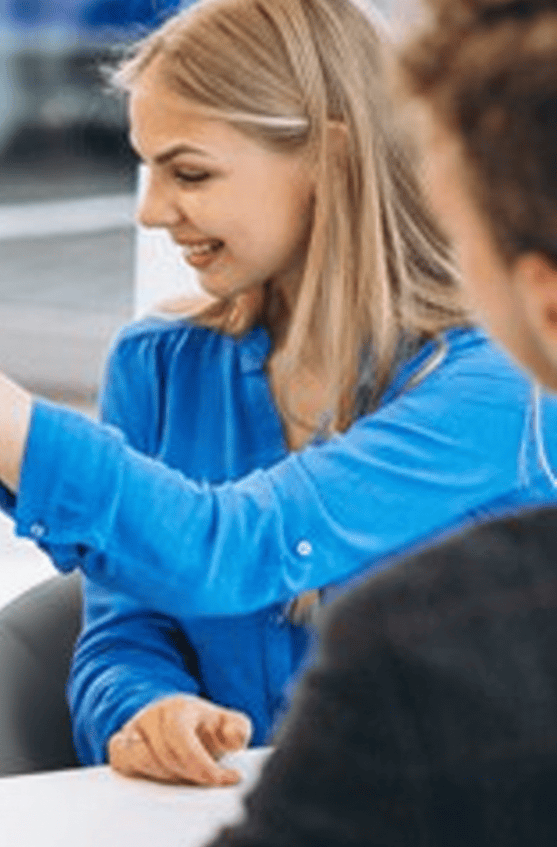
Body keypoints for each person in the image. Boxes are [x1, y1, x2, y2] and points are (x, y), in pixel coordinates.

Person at [0, 0, 557, 787]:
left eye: (189, 172)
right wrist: (147, 709)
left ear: (332, 159)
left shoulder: (498, 387)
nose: (154, 211)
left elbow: (235, 548)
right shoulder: (161, 365)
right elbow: (124, 630)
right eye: (148, 169)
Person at [204, 0, 557, 842]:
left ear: (543, 300)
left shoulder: (430, 647)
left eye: (458, 234)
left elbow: (241, 537)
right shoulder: (172, 359)